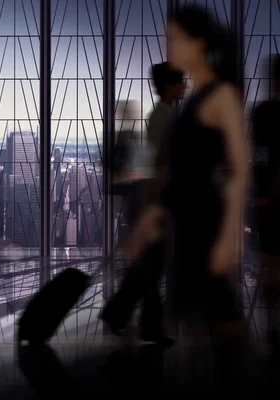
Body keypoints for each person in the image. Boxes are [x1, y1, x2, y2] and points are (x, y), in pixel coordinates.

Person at [127, 4, 248, 391]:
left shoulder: (221, 94)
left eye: (175, 38)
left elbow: (240, 167)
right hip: (187, 226)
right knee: (202, 330)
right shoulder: (195, 95)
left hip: (206, 225)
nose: (169, 45)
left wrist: (230, 236)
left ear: (199, 42)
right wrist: (155, 214)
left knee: (221, 329)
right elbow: (181, 168)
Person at [101, 63, 184, 345]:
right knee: (153, 264)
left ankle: (118, 314)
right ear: (169, 86)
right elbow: (160, 164)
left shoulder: (164, 115)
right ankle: (140, 323)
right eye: (180, 82)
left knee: (150, 264)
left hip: (153, 200)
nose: (184, 86)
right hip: (156, 201)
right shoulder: (163, 116)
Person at [252, 54, 280, 355]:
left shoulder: (263, 112)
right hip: (273, 196)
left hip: (270, 198)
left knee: (271, 261)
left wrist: (260, 191)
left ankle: (272, 325)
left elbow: (259, 154)